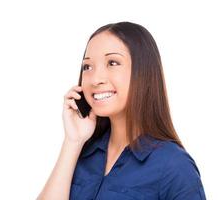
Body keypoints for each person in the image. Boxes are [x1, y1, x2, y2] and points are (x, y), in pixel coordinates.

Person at [37, 21, 206, 200]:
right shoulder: (83, 153)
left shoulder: (174, 165)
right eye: (87, 66)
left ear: (143, 73)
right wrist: (72, 142)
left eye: (112, 62)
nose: (95, 79)